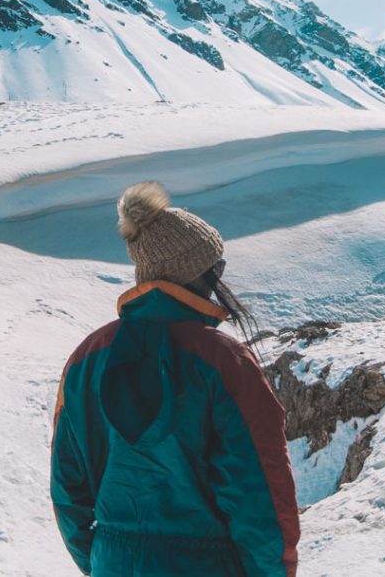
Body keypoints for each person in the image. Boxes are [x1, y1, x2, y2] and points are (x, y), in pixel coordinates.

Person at [50, 181, 299, 576]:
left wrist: (103, 558)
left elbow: (68, 490)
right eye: (216, 267)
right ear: (195, 273)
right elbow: (261, 494)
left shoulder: (85, 360)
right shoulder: (225, 361)